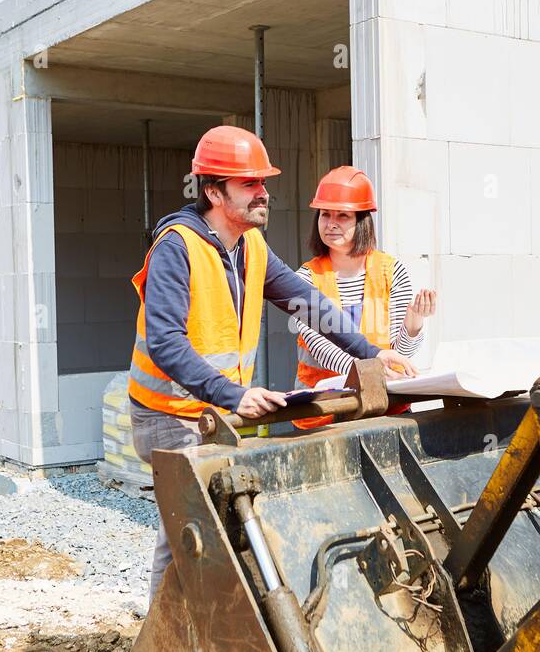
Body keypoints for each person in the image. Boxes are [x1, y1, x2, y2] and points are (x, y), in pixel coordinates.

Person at [128, 127, 416, 598]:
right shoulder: (177, 248)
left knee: (200, 524)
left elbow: (306, 302)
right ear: (214, 192)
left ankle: (191, 628)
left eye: (264, 182)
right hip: (167, 415)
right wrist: (235, 395)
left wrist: (371, 351)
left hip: (206, 410)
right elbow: (164, 342)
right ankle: (165, 642)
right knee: (190, 527)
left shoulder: (249, 246)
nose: (265, 193)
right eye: (250, 185)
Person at [291, 166, 437, 428]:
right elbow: (319, 346)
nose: (331, 223)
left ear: (362, 221)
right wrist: (367, 374)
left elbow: (398, 358)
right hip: (323, 413)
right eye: (325, 214)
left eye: (343, 215)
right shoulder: (306, 278)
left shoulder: (391, 272)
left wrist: (413, 327)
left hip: (384, 410)